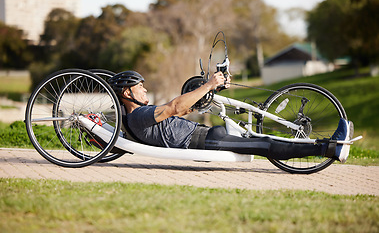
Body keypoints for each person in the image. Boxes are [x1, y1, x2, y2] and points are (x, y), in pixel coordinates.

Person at [108, 70, 354, 163]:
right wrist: (208, 85)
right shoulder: (138, 116)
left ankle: (324, 145)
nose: (145, 89)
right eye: (140, 87)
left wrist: (208, 90)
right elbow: (173, 107)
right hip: (208, 143)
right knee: (265, 144)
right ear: (128, 92)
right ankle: (331, 149)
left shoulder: (142, 116)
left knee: (261, 134)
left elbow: (180, 109)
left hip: (210, 135)